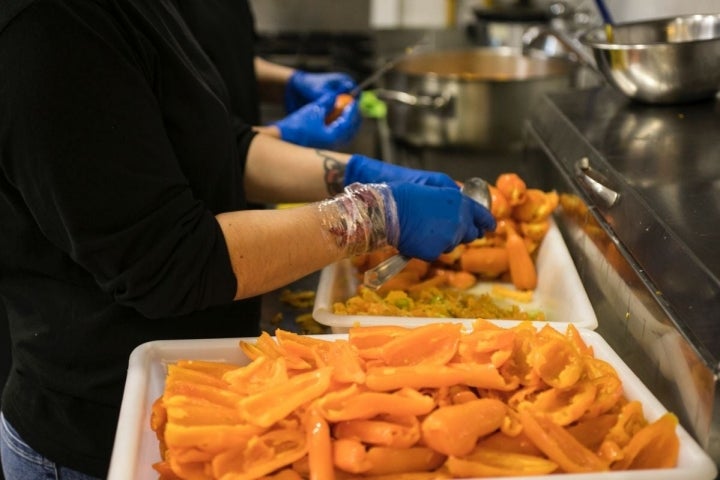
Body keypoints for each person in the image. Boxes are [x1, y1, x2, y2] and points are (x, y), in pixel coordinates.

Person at [0, 1, 495, 479]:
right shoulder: (44, 28)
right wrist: (378, 214)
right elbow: (170, 262)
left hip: (204, 391)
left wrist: (357, 174)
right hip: (103, 434)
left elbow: (216, 150)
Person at [174, 0, 363, 150]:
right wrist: (280, 134)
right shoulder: (156, 10)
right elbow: (185, 142)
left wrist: (289, 82)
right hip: (212, 183)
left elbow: (226, 59)